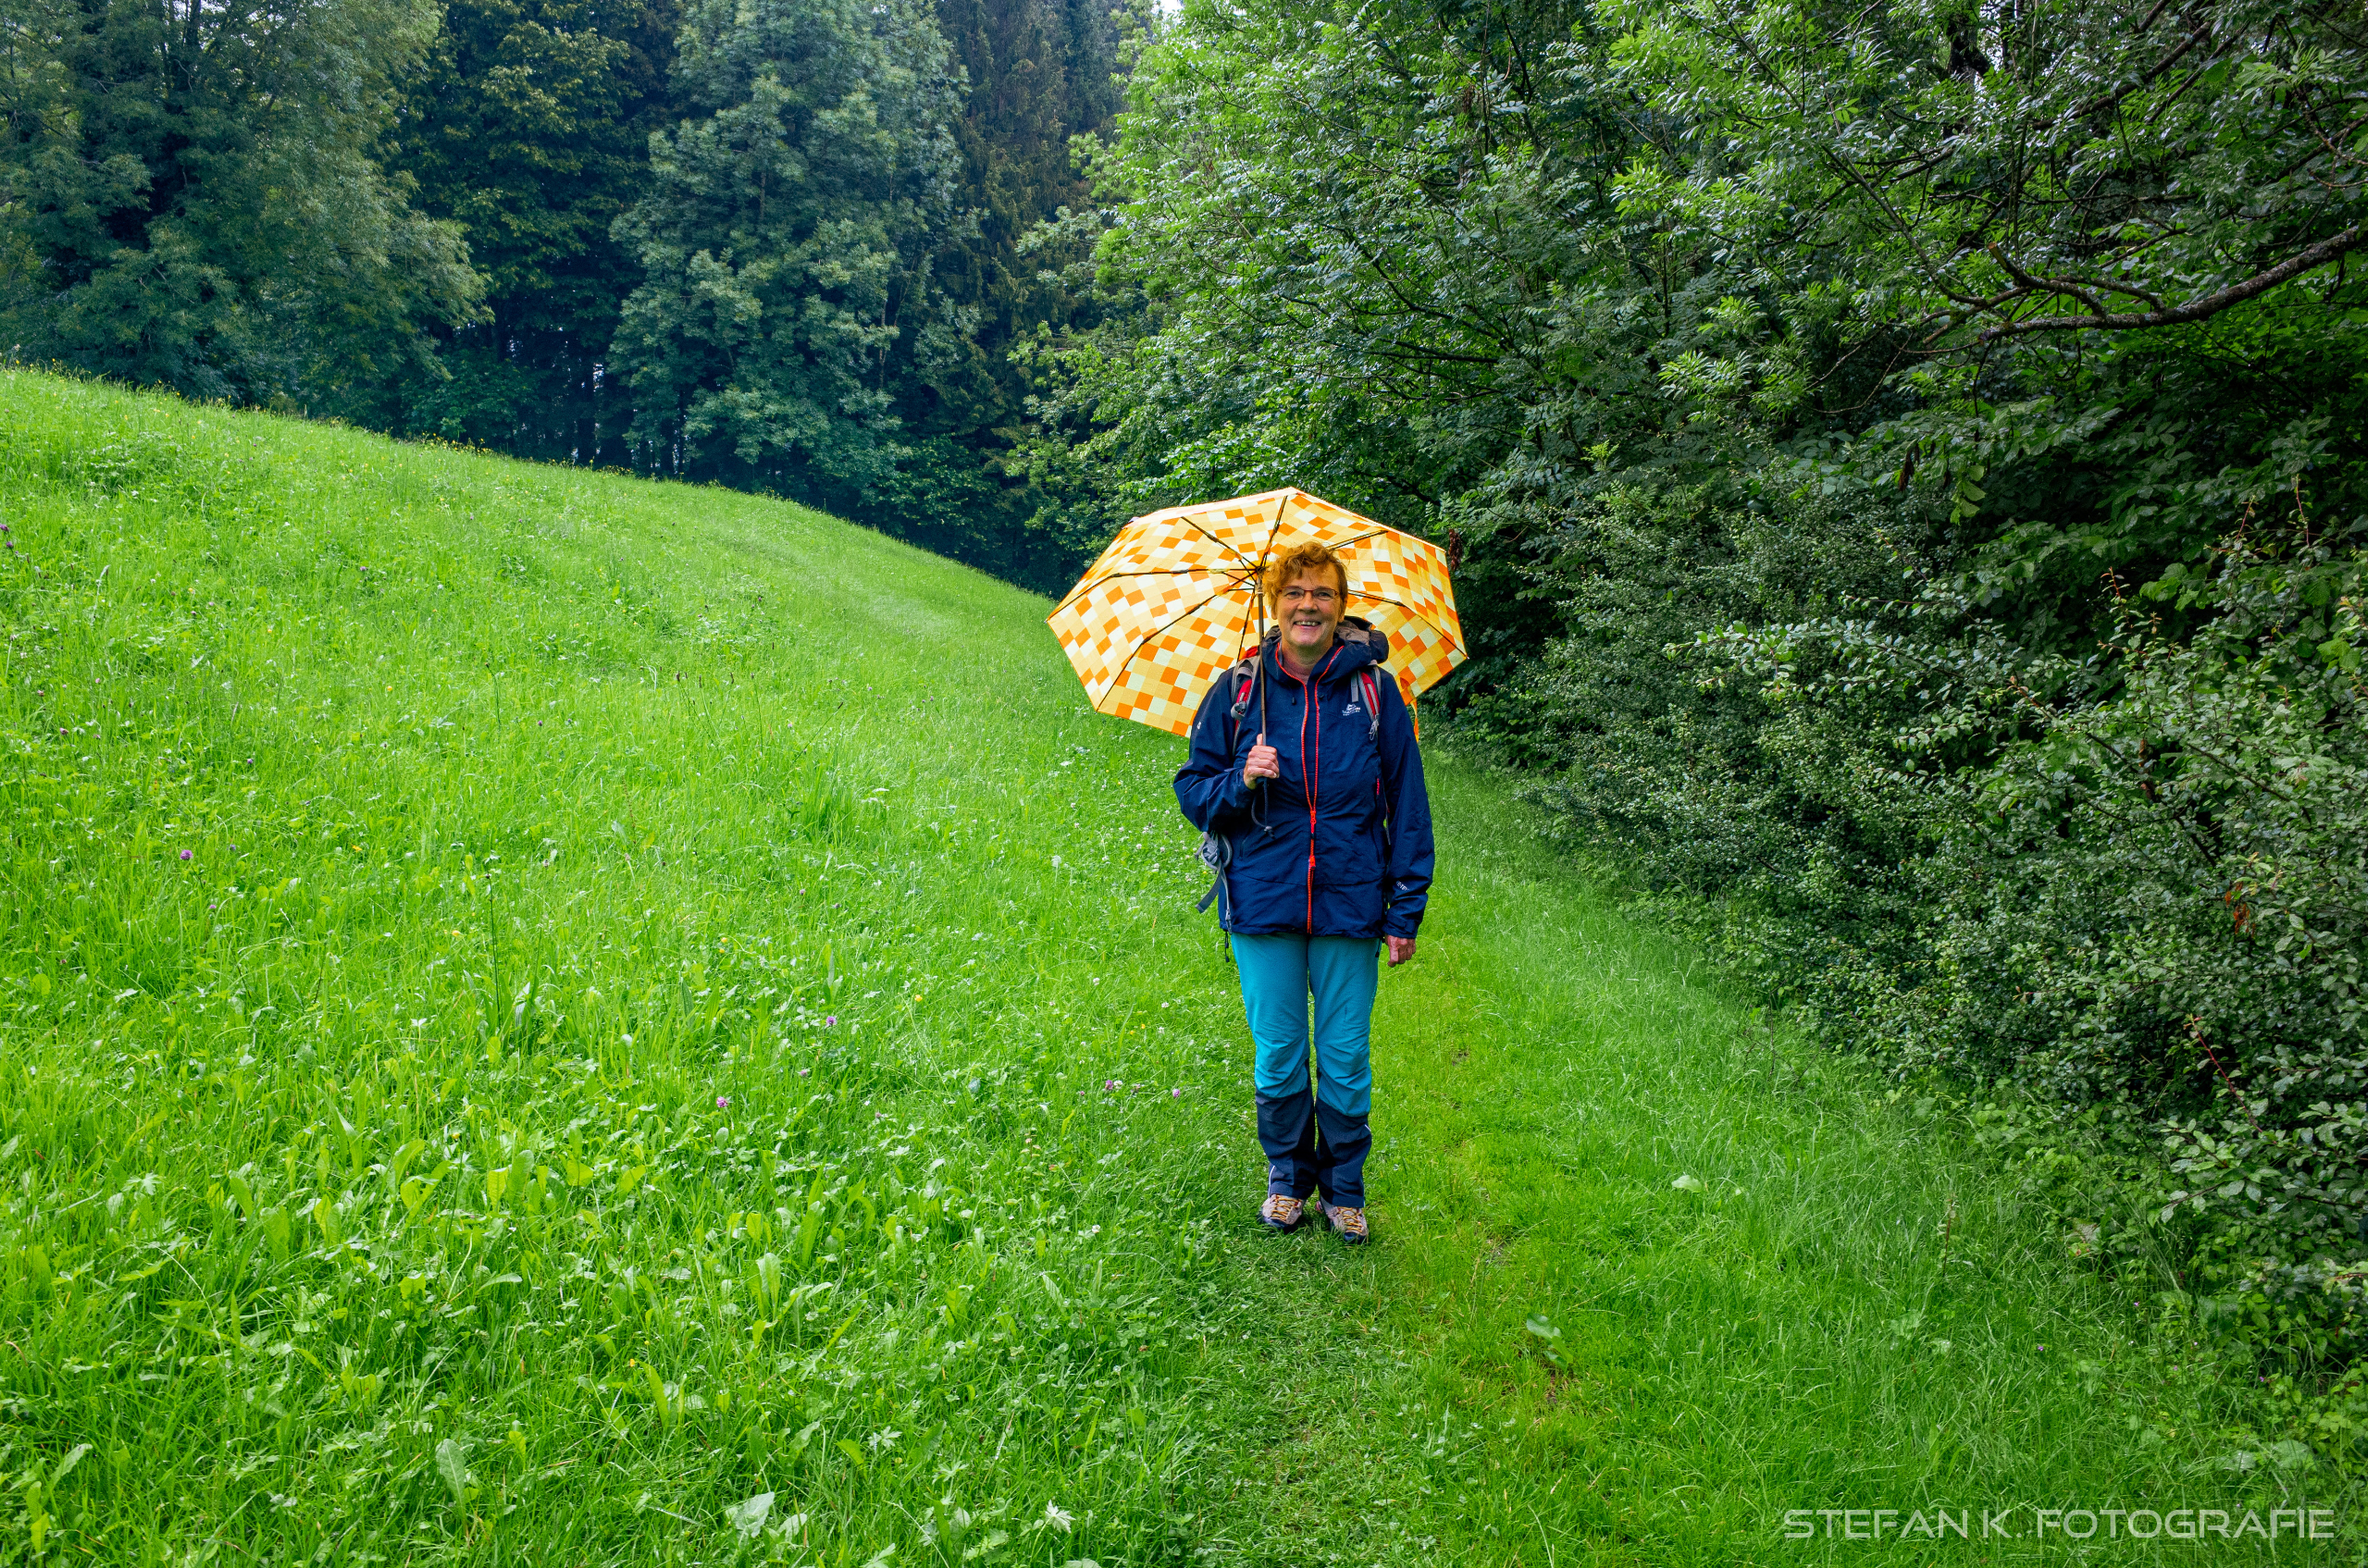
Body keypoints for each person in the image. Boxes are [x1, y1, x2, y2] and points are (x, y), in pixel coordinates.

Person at [1173, 540, 1434, 1244]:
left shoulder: (1377, 694)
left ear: (1341, 607)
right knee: (1280, 1051)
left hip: (1351, 900)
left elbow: (1408, 808)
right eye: (1294, 593)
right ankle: (1288, 1179)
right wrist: (1240, 778)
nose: (1307, 605)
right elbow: (1192, 793)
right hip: (1261, 900)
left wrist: (1404, 908)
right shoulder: (1237, 691)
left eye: (1321, 593)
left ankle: (1343, 1188)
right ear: (1273, 604)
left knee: (1345, 1053)